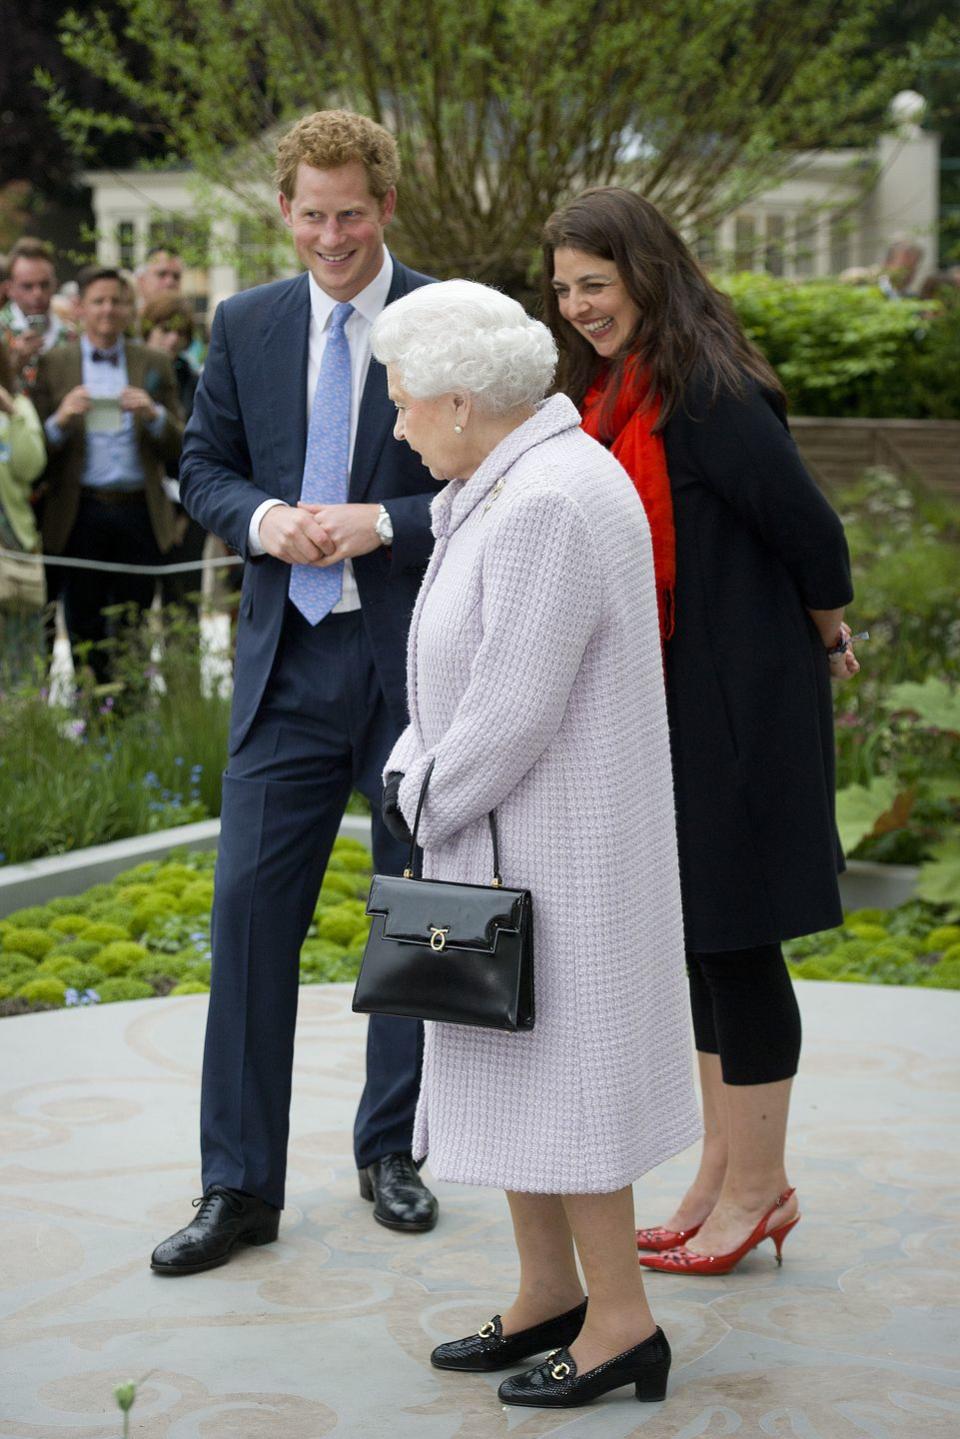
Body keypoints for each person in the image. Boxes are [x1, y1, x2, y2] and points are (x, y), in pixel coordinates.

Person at [372, 279, 700, 1410]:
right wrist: (428, 778)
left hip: (549, 848)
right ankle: (548, 1290)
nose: (399, 424)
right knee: (518, 1075)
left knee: (570, 1088)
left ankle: (621, 1324)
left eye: (407, 403)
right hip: (509, 844)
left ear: (463, 404)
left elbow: (512, 707)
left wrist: (419, 796)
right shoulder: (507, 479)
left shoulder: (548, 498)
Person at [541, 187, 858, 1278]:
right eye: (567, 285)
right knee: (702, 946)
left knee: (738, 940)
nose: (581, 303)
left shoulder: (709, 391)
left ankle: (761, 1188)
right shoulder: (620, 391)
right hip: (675, 703)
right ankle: (722, 1173)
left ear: (646, 270)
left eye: (598, 281)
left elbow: (809, 525)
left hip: (741, 706)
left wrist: (828, 624)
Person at [150, 109, 439, 1278]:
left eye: (352, 214)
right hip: (285, 667)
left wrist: (378, 521)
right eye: (313, 214)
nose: (332, 235)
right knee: (247, 922)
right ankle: (238, 1187)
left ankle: (393, 1153)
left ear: (385, 205)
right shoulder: (245, 323)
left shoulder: (441, 323)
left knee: (415, 918)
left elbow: (494, 481)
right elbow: (203, 467)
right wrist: (269, 521)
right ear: (285, 209)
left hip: (415, 667)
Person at [32, 265, 183, 684]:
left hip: (138, 510)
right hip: (79, 511)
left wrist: (152, 415)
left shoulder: (153, 362)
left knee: (135, 620)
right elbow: (33, 452)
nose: (108, 310)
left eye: (116, 301)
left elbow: (181, 442)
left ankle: (133, 715)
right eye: (98, 301)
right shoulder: (54, 363)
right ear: (80, 308)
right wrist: (60, 420)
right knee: (82, 619)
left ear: (129, 308)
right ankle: (90, 716)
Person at [141, 296, 205, 610]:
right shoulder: (132, 373)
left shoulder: (195, 382)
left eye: (180, 333)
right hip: (140, 503)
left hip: (187, 503)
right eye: (165, 329)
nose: (172, 339)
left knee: (182, 603)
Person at [0, 342, 47, 685]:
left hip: (14, 542)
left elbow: (30, 467)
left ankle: (24, 725)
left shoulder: (21, 408)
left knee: (20, 650)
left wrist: (11, 413)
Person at [0, 238, 74, 396]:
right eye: (27, 286)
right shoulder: (2, 331)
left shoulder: (71, 335)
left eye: (44, 284)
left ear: (55, 284)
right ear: (9, 288)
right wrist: (11, 367)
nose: (37, 294)